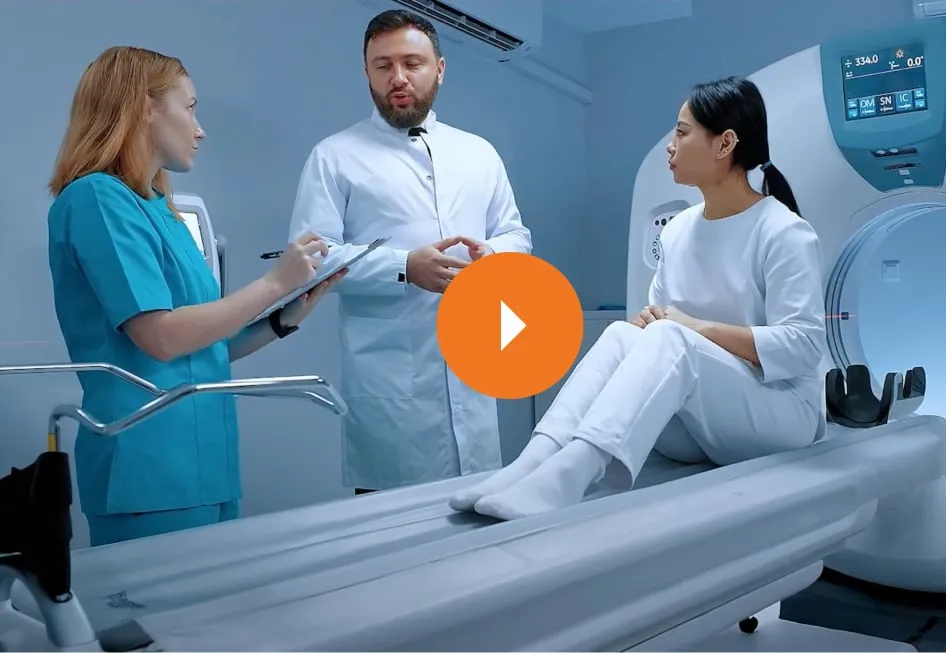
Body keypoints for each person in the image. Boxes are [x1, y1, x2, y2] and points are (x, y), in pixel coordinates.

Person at [450, 76, 827, 520]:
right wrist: (651, 324)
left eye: (682, 132)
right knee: (621, 334)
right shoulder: (679, 230)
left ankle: (570, 476)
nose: (670, 145)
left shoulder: (783, 231)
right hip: (698, 427)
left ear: (725, 144)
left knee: (671, 337)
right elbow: (657, 323)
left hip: (778, 417)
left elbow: (804, 347)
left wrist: (694, 329)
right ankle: (534, 460)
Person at [47, 46, 344, 546]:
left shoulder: (160, 209)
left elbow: (204, 348)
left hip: (209, 462)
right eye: (189, 107)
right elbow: (161, 338)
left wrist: (284, 317)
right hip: (148, 467)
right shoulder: (95, 198)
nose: (200, 129)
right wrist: (275, 282)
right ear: (145, 107)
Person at [288, 10, 533, 494]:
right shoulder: (334, 156)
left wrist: (490, 255)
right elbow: (311, 260)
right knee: (392, 531)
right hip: (391, 396)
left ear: (439, 69)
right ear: (366, 73)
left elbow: (516, 235)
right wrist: (404, 267)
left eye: (412, 63)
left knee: (480, 522)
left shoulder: (479, 154)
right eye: (383, 65)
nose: (397, 77)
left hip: (473, 376)